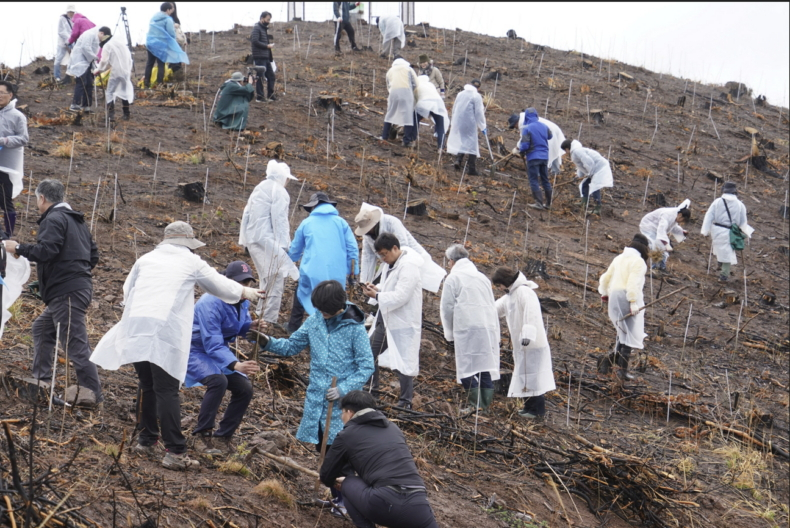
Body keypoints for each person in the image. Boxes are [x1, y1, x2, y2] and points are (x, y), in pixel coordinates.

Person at [90, 221, 261, 470]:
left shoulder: (146, 259)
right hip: (164, 329)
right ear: (188, 243)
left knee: (148, 385)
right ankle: (175, 451)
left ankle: (147, 439)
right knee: (167, 390)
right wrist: (249, 293)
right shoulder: (190, 261)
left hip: (136, 325)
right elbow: (220, 285)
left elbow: (128, 291)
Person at [4, 180, 102, 402]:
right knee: (41, 328)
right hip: (74, 289)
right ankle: (42, 382)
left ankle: (92, 394)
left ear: (42, 198)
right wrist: (65, 275)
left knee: (75, 343)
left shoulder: (54, 219)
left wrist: (17, 248)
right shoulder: (77, 221)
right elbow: (92, 256)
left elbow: (47, 251)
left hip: (67, 292)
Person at [253, 280, 374, 452]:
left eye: (326, 310)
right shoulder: (314, 321)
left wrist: (343, 389)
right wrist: (267, 342)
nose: (322, 313)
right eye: (319, 309)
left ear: (337, 307)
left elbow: (366, 366)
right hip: (317, 398)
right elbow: (291, 346)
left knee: (340, 447)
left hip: (343, 406)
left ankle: (339, 478)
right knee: (321, 447)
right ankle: (326, 477)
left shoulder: (355, 328)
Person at [319, 391, 439, 528]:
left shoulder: (347, 434)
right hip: (419, 505)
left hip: (384, 504)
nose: (342, 417)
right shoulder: (394, 428)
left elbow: (326, 475)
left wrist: (339, 482)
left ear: (350, 413)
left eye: (342, 413)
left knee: (349, 482)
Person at [186, 261, 260, 455]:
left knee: (244, 388)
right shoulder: (210, 302)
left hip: (218, 353)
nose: (245, 287)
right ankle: (201, 435)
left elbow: (237, 326)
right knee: (218, 381)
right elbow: (212, 342)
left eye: (247, 283)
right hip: (194, 350)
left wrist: (251, 327)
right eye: (240, 282)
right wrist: (236, 364)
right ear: (226, 282)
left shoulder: (243, 301)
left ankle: (223, 437)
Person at [361, 233, 423, 409]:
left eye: (384, 254)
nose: (383, 258)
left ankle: (406, 402)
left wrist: (378, 295)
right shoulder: (391, 264)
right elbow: (390, 287)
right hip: (385, 317)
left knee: (404, 360)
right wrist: (376, 288)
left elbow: (402, 295)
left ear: (395, 248)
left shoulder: (408, 266)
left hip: (402, 320)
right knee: (369, 352)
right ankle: (371, 392)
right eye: (380, 255)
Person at [238, 160, 300, 327]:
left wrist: (244, 239)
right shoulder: (279, 191)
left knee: (266, 277)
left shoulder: (260, 187)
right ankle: (268, 320)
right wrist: (284, 245)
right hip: (269, 241)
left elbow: (247, 214)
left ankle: (260, 313)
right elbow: (280, 220)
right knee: (275, 277)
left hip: (253, 239)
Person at [287, 192, 359, 333]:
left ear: (313, 207)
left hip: (311, 271)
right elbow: (352, 248)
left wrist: (288, 261)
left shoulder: (306, 223)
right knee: (334, 300)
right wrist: (352, 272)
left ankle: (294, 326)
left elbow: (295, 248)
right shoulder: (341, 223)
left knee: (302, 292)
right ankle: (333, 330)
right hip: (336, 273)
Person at [440, 244, 500, 413]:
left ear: (451, 261)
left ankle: (476, 405)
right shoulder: (482, 277)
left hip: (466, 327)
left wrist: (449, 333)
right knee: (483, 365)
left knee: (466, 366)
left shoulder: (454, 278)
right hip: (487, 326)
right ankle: (485, 406)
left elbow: (447, 307)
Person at [491, 267, 555, 418]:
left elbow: (531, 313)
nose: (499, 289)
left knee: (533, 377)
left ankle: (536, 411)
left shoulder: (525, 292)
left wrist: (528, 333)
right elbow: (494, 309)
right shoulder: (510, 296)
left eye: (498, 285)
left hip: (533, 344)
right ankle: (528, 407)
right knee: (525, 375)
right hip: (523, 345)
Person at [354, 203, 445, 293]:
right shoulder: (367, 235)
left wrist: (393, 268)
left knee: (408, 287)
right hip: (389, 262)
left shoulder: (391, 222)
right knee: (384, 288)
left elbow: (403, 247)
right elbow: (367, 257)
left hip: (410, 259)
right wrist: (365, 282)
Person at [597, 234, 650, 380]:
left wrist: (604, 292)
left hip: (614, 295)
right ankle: (621, 371)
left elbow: (606, 277)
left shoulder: (619, 258)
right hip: (626, 296)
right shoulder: (638, 261)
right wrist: (633, 302)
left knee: (622, 331)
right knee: (628, 333)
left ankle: (609, 363)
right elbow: (633, 283)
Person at [701, 182, 753, 282]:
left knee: (720, 249)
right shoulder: (740, 204)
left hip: (716, 230)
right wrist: (744, 231)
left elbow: (709, 216)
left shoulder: (717, 202)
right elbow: (743, 221)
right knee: (727, 252)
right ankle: (723, 275)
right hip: (731, 231)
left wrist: (705, 230)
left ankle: (721, 266)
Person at [0, 81, 29, 236]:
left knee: (5, 201)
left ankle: (8, 235)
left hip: (7, 166)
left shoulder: (18, 116)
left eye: (1, 93)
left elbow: (24, 138)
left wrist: (4, 140)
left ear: (10, 95)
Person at [561, 138, 613, 216]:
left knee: (595, 187)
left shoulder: (577, 151)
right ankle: (584, 203)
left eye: (565, 150)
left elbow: (588, 161)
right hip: (594, 170)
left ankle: (597, 208)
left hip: (599, 169)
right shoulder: (576, 152)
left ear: (567, 148)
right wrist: (578, 176)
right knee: (585, 184)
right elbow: (581, 166)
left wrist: (590, 173)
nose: (565, 152)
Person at [92, 27, 134, 124]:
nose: (98, 37)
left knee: (110, 92)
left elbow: (104, 60)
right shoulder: (120, 43)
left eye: (99, 34)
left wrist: (98, 70)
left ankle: (110, 116)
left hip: (116, 72)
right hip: (126, 71)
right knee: (124, 92)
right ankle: (126, 114)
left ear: (102, 34)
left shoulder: (108, 45)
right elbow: (129, 58)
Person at [514, 108, 554, 209]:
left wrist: (521, 152)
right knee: (545, 179)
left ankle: (539, 203)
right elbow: (550, 136)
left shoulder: (527, 128)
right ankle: (548, 204)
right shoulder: (544, 126)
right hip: (545, 157)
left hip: (533, 157)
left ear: (526, 117)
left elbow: (525, 145)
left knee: (534, 179)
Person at [144, 2, 189, 89]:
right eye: (171, 9)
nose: (172, 11)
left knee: (150, 63)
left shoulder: (154, 17)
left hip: (150, 42)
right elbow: (171, 33)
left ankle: (146, 83)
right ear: (168, 10)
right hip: (160, 44)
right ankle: (159, 84)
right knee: (161, 64)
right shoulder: (168, 19)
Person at [446, 79, 486, 176]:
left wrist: (453, 122)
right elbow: (479, 113)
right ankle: (471, 168)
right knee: (472, 144)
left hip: (458, 121)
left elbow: (454, 108)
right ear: (478, 88)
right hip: (469, 123)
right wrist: (483, 125)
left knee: (464, 140)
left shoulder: (460, 94)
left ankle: (458, 160)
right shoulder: (476, 96)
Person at [508, 112, 566, 177]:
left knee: (547, 152)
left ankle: (542, 174)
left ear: (516, 122)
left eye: (514, 126)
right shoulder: (526, 118)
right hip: (552, 130)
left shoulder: (523, 123)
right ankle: (555, 173)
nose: (515, 128)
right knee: (553, 150)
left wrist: (517, 148)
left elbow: (524, 139)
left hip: (549, 132)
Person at [639, 199, 691, 271]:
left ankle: (662, 267)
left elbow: (673, 226)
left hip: (656, 229)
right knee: (656, 246)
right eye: (683, 220)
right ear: (680, 215)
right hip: (648, 226)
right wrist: (665, 243)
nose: (682, 222)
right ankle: (655, 267)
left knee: (663, 249)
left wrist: (682, 232)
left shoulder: (675, 216)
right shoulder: (667, 215)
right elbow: (662, 230)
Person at [382, 58, 418, 147]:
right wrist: (411, 91)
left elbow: (388, 84)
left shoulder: (390, 70)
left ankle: (384, 137)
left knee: (390, 114)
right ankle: (406, 141)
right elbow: (416, 83)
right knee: (408, 117)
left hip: (393, 93)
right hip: (406, 92)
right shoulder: (408, 69)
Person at [66, 23, 99, 112]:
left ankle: (86, 106)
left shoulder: (95, 36)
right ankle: (75, 104)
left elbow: (94, 50)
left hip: (87, 63)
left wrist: (94, 61)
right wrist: (94, 57)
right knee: (81, 83)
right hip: (80, 62)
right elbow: (85, 48)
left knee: (89, 83)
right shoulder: (90, 34)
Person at [414, 75, 448, 151]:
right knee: (440, 126)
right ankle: (441, 147)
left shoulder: (417, 85)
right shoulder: (431, 85)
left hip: (424, 103)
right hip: (438, 105)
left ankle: (412, 140)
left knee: (415, 120)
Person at [250, 11, 276, 102]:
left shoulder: (263, 29)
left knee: (271, 76)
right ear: (262, 18)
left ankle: (271, 95)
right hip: (259, 57)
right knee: (260, 77)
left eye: (270, 20)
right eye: (268, 19)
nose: (269, 21)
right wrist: (267, 46)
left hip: (266, 57)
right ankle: (260, 97)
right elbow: (255, 41)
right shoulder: (257, 28)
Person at [54, 5, 76, 82]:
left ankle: (70, 76)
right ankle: (57, 76)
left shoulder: (74, 19)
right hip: (63, 43)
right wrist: (68, 40)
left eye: (72, 12)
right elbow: (61, 31)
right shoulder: (62, 19)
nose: (70, 13)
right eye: (69, 12)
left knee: (73, 59)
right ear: (67, 12)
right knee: (59, 59)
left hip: (71, 42)